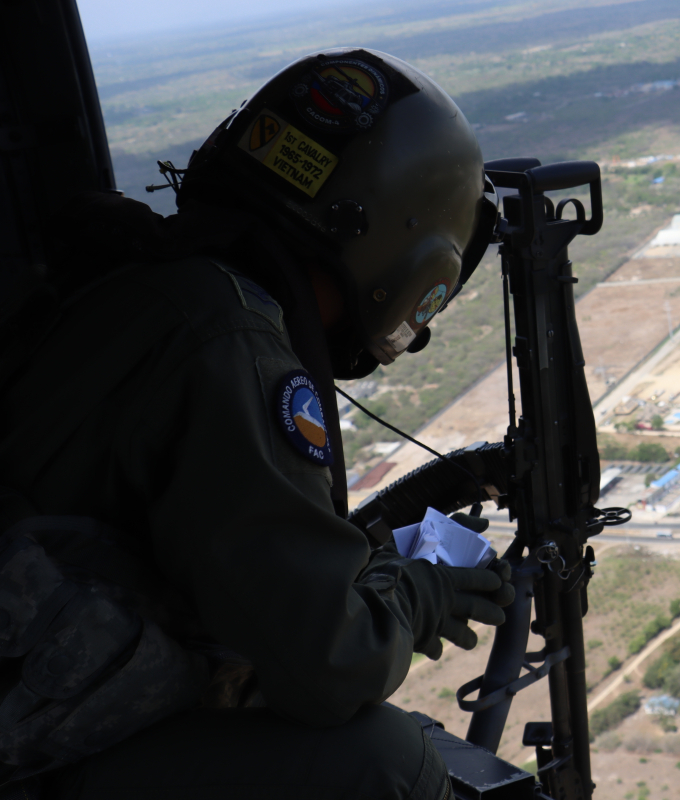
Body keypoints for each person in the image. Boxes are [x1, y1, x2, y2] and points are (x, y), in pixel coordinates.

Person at [0, 48, 508, 799]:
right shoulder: (230, 341)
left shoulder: (129, 283)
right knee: (386, 764)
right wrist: (418, 595)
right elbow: (329, 667)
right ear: (404, 259)